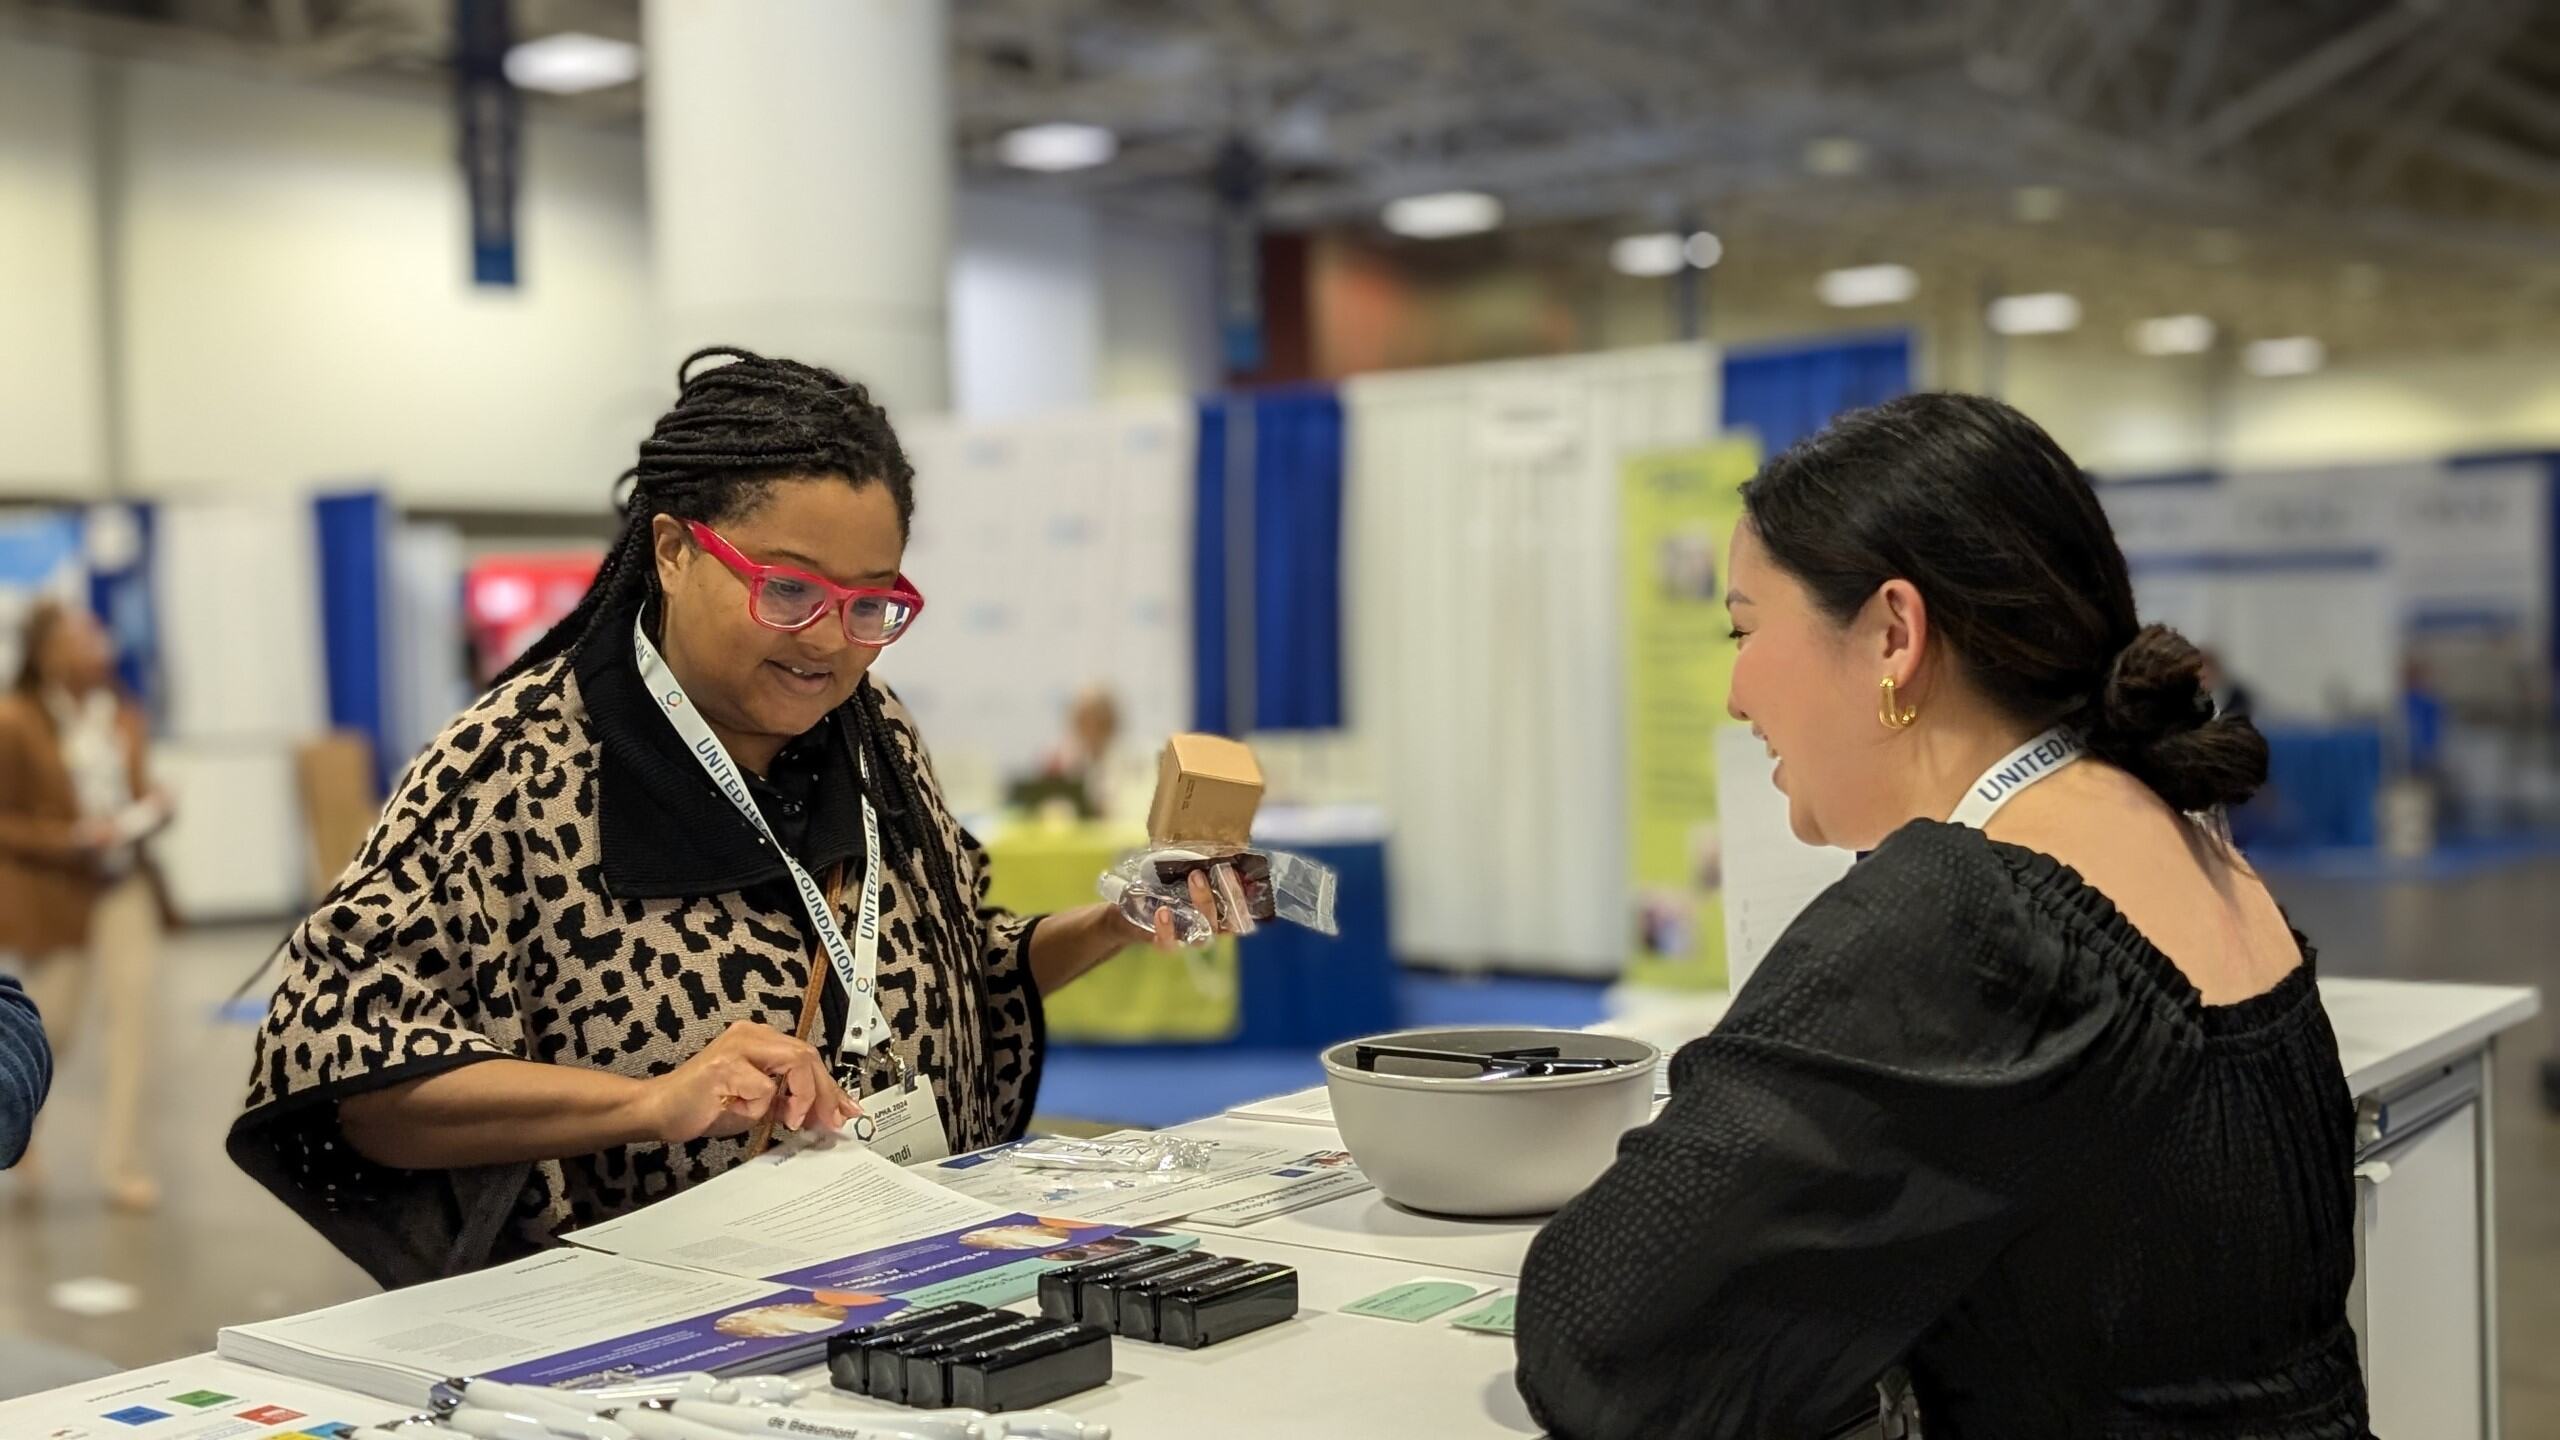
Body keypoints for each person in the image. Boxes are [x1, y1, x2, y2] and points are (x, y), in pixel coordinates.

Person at [231, 348, 1215, 1288]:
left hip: (902, 1283)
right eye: (788, 589)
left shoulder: (876, 737)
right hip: (642, 1340)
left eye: (872, 604)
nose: (831, 642)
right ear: (672, 551)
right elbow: (356, 1082)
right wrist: (649, 1104)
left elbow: (957, 981)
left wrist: (1114, 922)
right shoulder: (514, 765)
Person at [1514, 394, 2366, 1439]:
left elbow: (1597, 1337)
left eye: (1742, 629)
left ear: (1892, 635)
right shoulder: (2193, 843)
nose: (1735, 693)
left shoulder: (1974, 914)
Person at [0, 601, 168, 1213]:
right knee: (53, 1027)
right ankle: (18, 1123)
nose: (99, 644)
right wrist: (70, 839)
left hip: (124, 886)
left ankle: (122, 1165)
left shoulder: (122, 712)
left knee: (133, 1024)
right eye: (82, 636)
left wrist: (155, 806)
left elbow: (133, 789)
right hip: (58, 895)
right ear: (47, 650)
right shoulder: (15, 720)